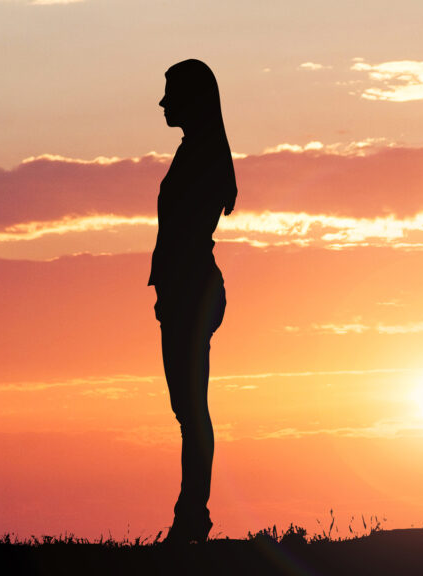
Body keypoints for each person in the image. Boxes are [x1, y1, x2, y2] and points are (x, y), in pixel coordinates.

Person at [149, 59, 237, 544]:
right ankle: (191, 516)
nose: (163, 103)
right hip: (187, 291)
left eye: (171, 93)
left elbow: (185, 234)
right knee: (186, 408)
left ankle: (192, 518)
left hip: (193, 292)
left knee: (191, 410)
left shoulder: (201, 156)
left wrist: (174, 293)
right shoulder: (196, 152)